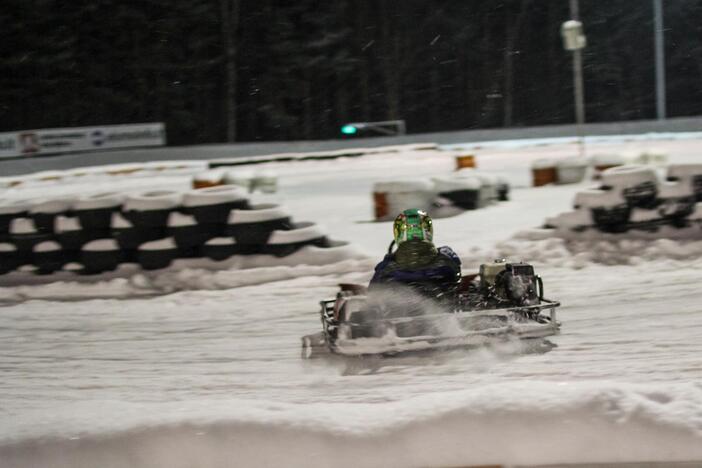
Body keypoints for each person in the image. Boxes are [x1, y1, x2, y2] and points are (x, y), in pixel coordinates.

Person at [368, 208, 461, 299]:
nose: (414, 233)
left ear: (399, 233)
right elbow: (457, 280)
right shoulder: (446, 256)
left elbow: (373, 293)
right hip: (442, 300)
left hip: (400, 305)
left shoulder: (386, 267)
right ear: (428, 231)